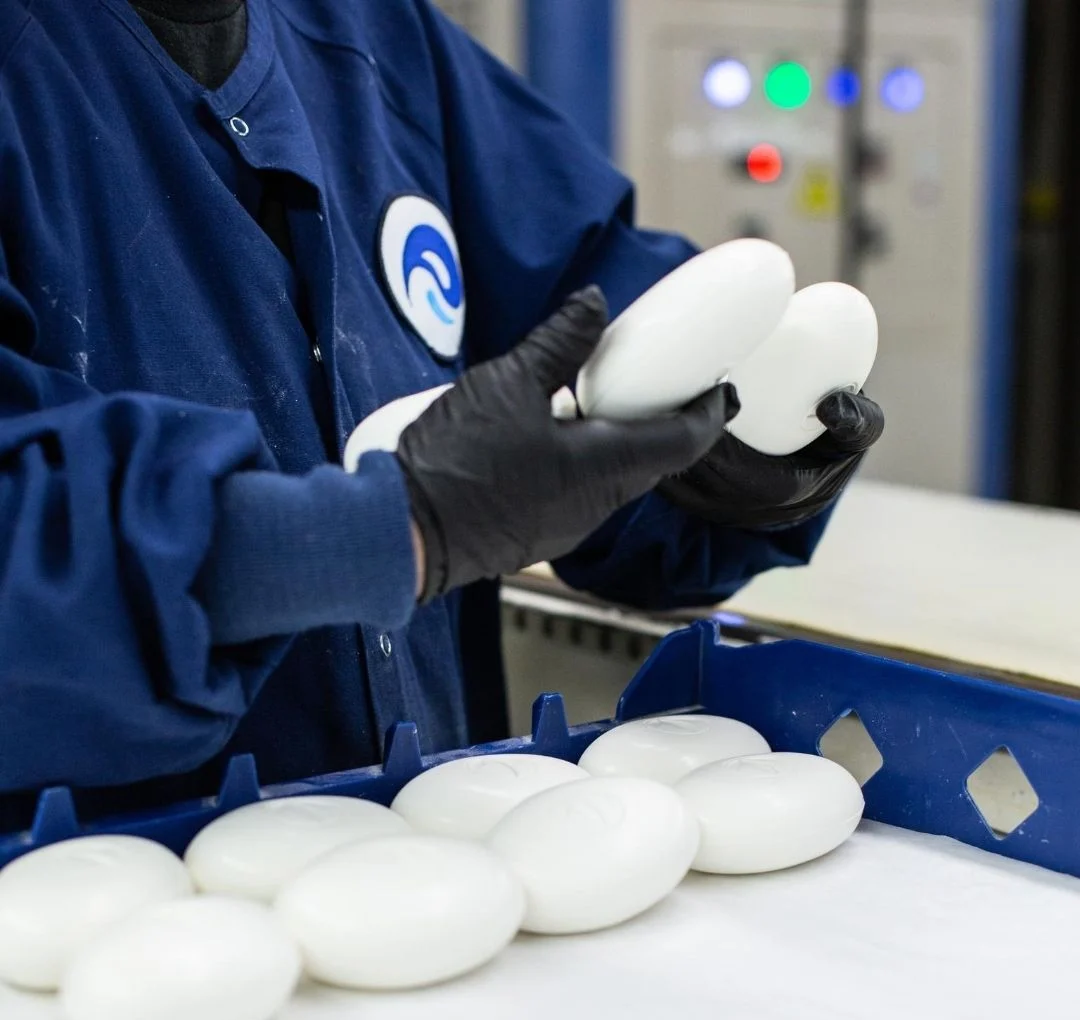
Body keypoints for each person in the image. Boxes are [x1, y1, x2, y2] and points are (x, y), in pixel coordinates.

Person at [0, 0, 883, 826]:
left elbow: (617, 330)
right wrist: (392, 530)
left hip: (435, 872)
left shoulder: (373, 39)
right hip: (104, 918)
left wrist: (719, 468)